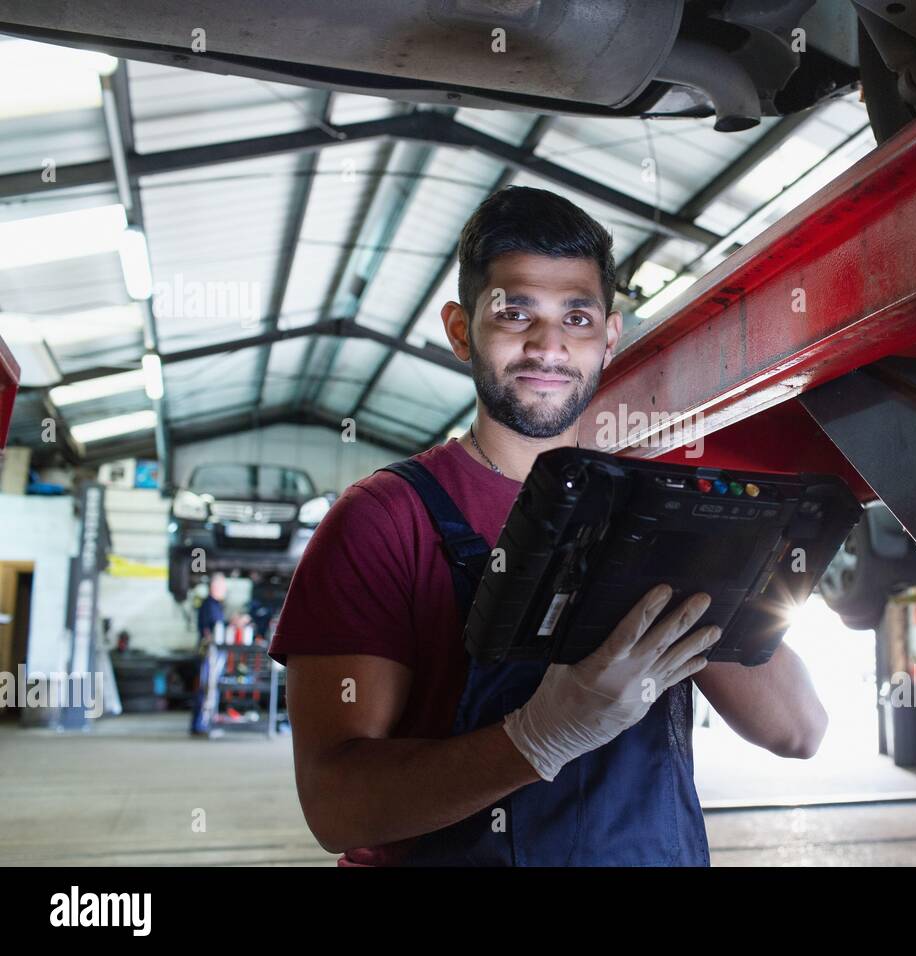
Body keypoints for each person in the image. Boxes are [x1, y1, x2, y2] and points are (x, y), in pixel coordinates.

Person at [270, 186, 829, 866]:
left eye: (577, 316)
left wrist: (695, 576)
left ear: (610, 338)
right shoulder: (384, 521)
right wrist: (537, 739)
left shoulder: (661, 512)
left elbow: (799, 732)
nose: (549, 345)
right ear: (458, 330)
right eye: (514, 313)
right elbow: (336, 808)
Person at [190, 573, 227, 735]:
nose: (224, 589)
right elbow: (206, 631)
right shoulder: (208, 605)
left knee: (211, 688)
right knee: (206, 688)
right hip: (208, 653)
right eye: (222, 586)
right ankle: (199, 725)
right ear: (215, 586)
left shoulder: (217, 605)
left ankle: (207, 722)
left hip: (215, 652)